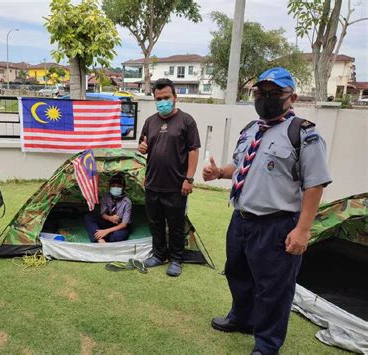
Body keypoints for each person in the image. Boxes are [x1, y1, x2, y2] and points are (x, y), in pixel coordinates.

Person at [202, 67, 331, 354]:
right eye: (260, 93)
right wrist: (220, 172)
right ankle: (242, 317)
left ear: (292, 96)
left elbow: (315, 184)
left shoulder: (304, 133)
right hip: (241, 219)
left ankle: (267, 343)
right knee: (238, 274)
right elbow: (243, 164)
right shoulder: (251, 130)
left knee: (274, 287)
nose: (266, 98)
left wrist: (303, 229)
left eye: (275, 93)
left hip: (277, 224)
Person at [138, 78, 200, 277]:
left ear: (175, 97)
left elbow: (193, 150)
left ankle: (176, 259)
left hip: (176, 185)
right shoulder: (150, 122)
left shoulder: (187, 121)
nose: (162, 101)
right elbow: (143, 146)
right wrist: (141, 148)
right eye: (159, 98)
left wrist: (189, 179)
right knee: (155, 222)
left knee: (175, 225)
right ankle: (159, 255)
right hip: (153, 183)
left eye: (166, 97)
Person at [85, 173, 132, 243]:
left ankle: (102, 235)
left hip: (120, 225)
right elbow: (103, 214)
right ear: (109, 187)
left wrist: (106, 231)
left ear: (123, 188)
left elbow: (124, 224)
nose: (116, 188)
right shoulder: (106, 197)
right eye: (113, 186)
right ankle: (100, 239)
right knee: (89, 217)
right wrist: (110, 218)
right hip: (108, 221)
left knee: (119, 235)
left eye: (119, 186)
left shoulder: (127, 202)